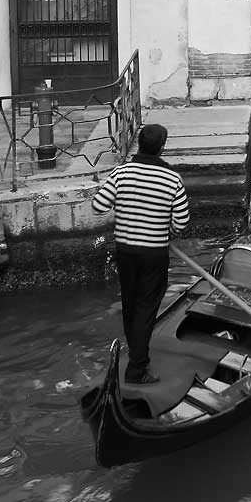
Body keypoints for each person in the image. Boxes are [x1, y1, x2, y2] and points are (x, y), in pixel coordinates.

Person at [92, 123, 190, 385]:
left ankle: (136, 354)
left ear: (139, 144)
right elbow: (180, 224)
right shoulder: (172, 179)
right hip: (153, 253)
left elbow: (98, 206)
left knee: (131, 304)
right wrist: (162, 225)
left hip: (125, 251)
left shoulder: (121, 172)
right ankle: (137, 369)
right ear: (162, 147)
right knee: (146, 308)